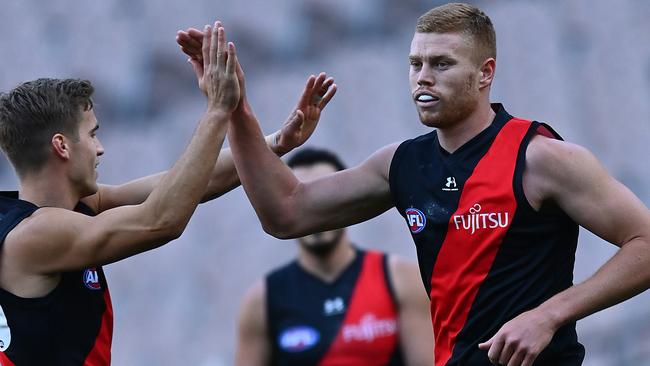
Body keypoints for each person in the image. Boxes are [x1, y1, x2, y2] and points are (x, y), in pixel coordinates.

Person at [196, 5, 650, 366]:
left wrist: (550, 315)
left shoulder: (543, 157)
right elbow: (286, 212)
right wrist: (236, 110)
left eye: (441, 64)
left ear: (485, 73)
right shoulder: (402, 163)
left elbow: (644, 243)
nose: (422, 78)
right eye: (415, 64)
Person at [0, 21, 334, 365]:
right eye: (92, 135)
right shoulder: (33, 236)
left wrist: (274, 145)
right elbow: (160, 221)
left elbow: (185, 184)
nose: (100, 149)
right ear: (62, 146)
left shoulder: (75, 208)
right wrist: (218, 109)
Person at [234, 147, 433, 366]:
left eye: (322, 198)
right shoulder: (261, 301)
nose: (315, 210)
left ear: (344, 199)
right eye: (301, 200)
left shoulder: (401, 280)